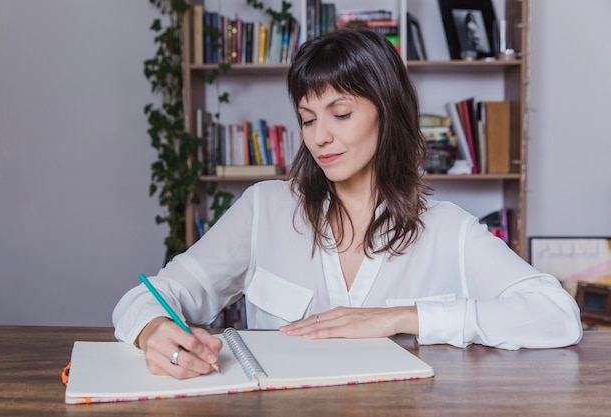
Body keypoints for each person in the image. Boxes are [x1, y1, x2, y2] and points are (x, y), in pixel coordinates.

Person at [112, 28, 582, 380]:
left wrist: (402, 317)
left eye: (340, 114)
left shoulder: (447, 229)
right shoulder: (264, 209)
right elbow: (149, 296)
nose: (320, 137)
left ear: (388, 111)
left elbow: (557, 315)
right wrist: (152, 330)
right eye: (307, 118)